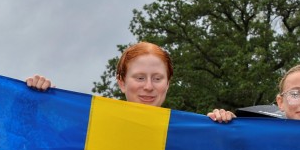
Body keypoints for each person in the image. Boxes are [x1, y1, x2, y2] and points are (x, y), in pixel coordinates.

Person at [26, 41, 236, 123]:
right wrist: (36, 102)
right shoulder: (93, 124)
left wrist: (229, 128)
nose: (148, 86)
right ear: (121, 82)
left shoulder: (190, 131)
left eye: (157, 78)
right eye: (139, 77)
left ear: (168, 83)